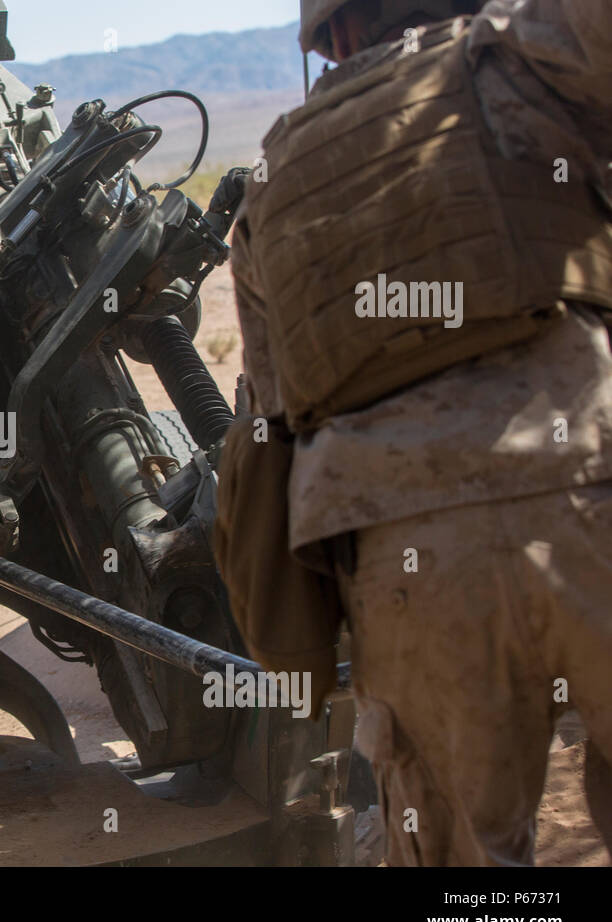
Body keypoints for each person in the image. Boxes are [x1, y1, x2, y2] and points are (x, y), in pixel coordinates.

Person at [221, 0, 612, 865]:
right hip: (588, 489)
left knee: (464, 868)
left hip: (406, 558)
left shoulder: (267, 189)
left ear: (334, 38)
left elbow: (268, 428)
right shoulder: (518, 57)